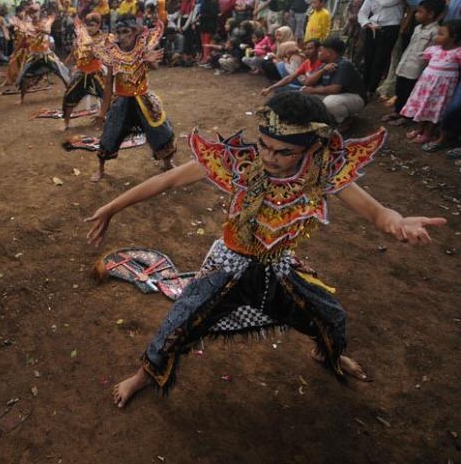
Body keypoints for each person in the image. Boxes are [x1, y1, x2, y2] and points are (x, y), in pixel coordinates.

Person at [86, 92, 446, 409]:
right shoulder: (238, 163)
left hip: (279, 266)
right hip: (228, 264)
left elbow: (377, 212)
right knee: (178, 323)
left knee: (330, 317)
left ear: (313, 147)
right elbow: (166, 179)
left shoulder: (323, 172)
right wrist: (111, 208)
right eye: (264, 145)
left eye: (284, 152)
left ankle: (326, 353)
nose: (270, 157)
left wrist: (396, 223)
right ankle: (143, 376)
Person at [91, 15, 176, 182]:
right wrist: (102, 112)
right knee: (110, 134)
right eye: (119, 32)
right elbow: (108, 84)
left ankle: (167, 163)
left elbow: (155, 67)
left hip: (144, 100)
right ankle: (100, 168)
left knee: (161, 131)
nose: (122, 36)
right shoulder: (112, 54)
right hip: (122, 101)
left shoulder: (142, 49)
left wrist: (148, 58)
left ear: (135, 32)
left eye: (126, 31)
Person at [399, 20, 461, 150]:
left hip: (442, 89)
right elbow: (428, 66)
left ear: (454, 37)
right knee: (423, 106)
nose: (437, 37)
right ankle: (419, 129)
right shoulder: (433, 50)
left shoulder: (457, 53)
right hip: (426, 86)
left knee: (434, 110)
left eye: (441, 34)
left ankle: (428, 133)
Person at [385, 0, 445, 123]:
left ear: (431, 14)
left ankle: (407, 116)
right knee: (400, 89)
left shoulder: (435, 31)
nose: (416, 14)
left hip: (417, 67)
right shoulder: (418, 28)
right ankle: (398, 111)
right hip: (405, 63)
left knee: (409, 91)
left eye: (420, 12)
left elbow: (431, 52)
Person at [358, 0, 406, 95]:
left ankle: (370, 91)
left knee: (379, 62)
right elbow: (362, 13)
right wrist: (367, 24)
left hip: (390, 28)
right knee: (368, 60)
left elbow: (386, 2)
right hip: (372, 28)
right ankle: (363, 89)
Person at [301, 37, 367, 127]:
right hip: (339, 96)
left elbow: (335, 89)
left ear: (329, 53)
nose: (318, 53)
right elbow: (307, 83)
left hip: (355, 98)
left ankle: (344, 120)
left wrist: (313, 91)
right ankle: (327, 118)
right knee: (304, 91)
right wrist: (322, 71)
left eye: (321, 51)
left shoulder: (344, 64)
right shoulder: (325, 65)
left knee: (330, 102)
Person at [11, 4, 71, 105]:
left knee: (62, 72)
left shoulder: (44, 22)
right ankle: (21, 98)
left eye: (36, 12)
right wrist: (14, 52)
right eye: (32, 13)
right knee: (24, 75)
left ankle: (70, 94)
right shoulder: (27, 26)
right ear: (29, 14)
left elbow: (48, 31)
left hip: (47, 54)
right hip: (34, 55)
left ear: (39, 12)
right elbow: (23, 41)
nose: (34, 15)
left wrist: (38, 29)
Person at [61, 14, 107, 131]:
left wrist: (92, 47)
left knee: (108, 97)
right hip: (81, 72)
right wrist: (73, 50)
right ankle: (66, 122)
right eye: (87, 25)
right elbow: (75, 52)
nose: (89, 28)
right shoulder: (81, 36)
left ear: (98, 25)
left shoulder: (104, 38)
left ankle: (103, 121)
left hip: (96, 72)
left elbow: (102, 54)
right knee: (68, 96)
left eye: (92, 25)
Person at [342, 0, 378, 68]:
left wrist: (356, 17)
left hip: (363, 27)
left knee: (360, 51)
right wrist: (350, 16)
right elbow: (350, 5)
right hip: (353, 26)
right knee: (351, 49)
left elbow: (369, 10)